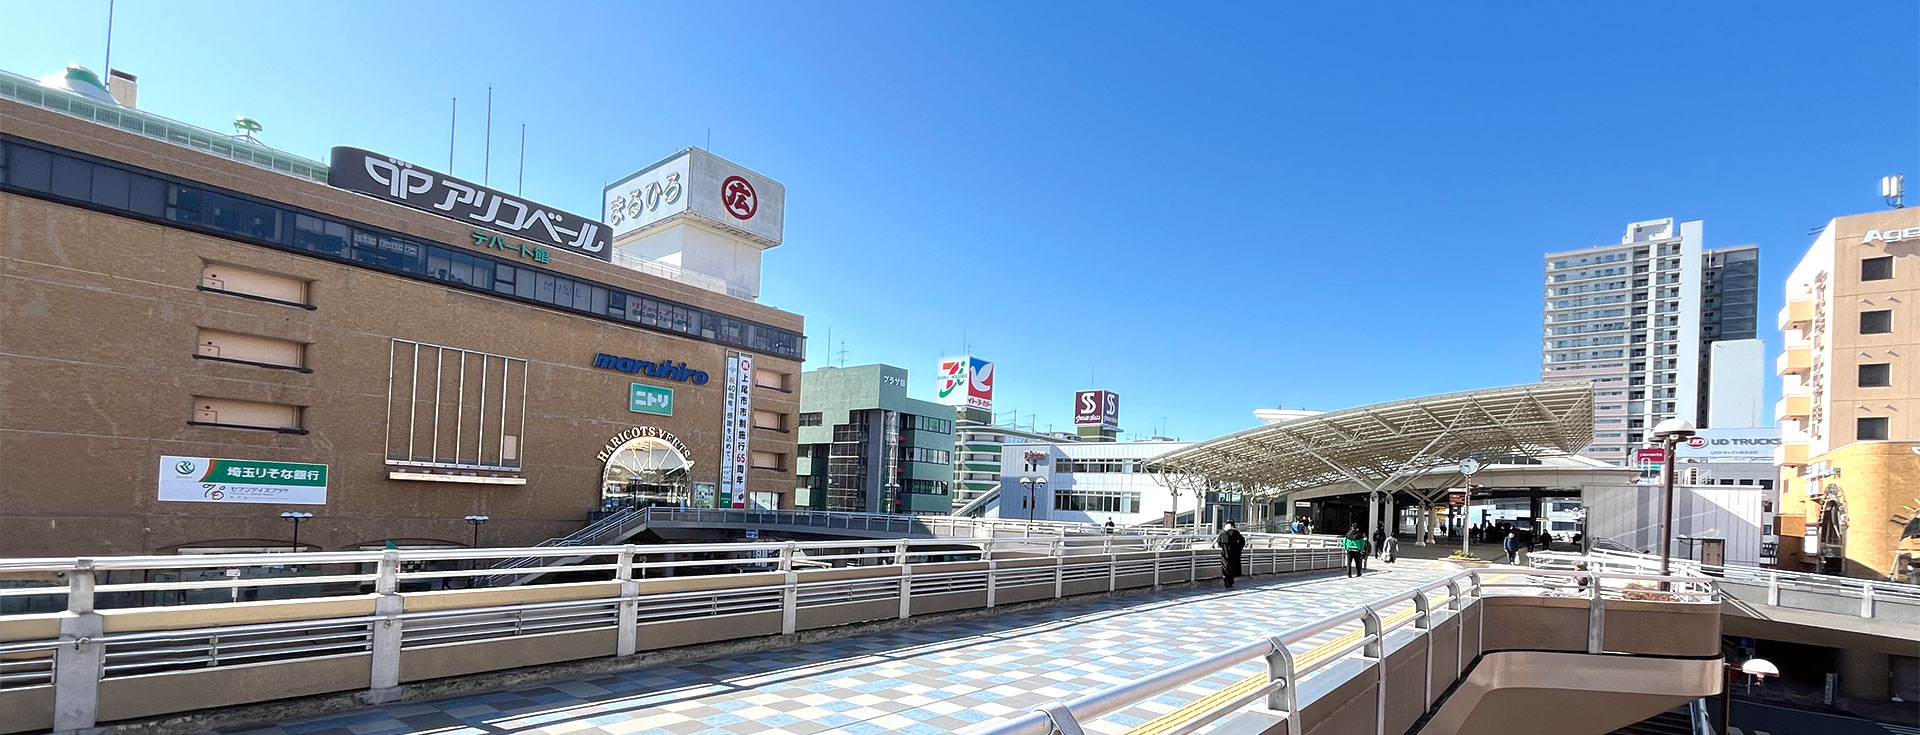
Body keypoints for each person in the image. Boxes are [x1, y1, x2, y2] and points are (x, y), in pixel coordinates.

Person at [1217, 521, 1246, 588]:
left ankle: (1227, 582)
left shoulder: (1222, 533)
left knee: (1226, 568)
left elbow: (1219, 542)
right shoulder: (1236, 533)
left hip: (1225, 553)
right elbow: (1242, 541)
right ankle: (1230, 581)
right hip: (1234, 553)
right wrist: (1239, 549)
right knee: (1232, 568)